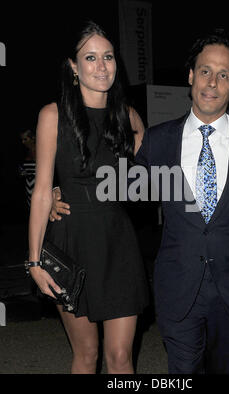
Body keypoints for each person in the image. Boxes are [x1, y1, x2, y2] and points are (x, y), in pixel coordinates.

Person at [135, 31, 229, 373]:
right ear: (190, 76)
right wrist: (62, 190)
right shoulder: (159, 140)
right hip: (178, 288)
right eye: (204, 71)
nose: (212, 82)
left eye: (223, 75)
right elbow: (125, 192)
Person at [28, 20, 149, 374]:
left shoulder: (129, 117)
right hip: (72, 243)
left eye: (108, 57)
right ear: (73, 67)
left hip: (118, 244)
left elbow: (154, 180)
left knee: (121, 357)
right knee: (86, 354)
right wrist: (34, 262)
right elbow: (40, 189)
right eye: (91, 58)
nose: (101, 66)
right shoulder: (52, 116)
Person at [18, 129, 36, 209]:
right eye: (22, 140)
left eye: (25, 139)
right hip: (28, 188)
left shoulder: (41, 150)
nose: (23, 142)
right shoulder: (25, 152)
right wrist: (21, 172)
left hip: (39, 188)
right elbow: (22, 172)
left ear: (33, 138)